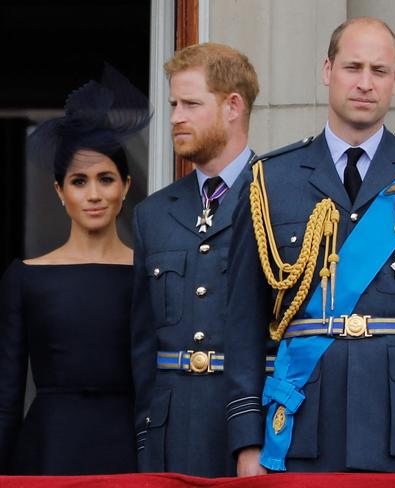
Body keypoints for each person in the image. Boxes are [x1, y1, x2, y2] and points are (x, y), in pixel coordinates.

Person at [225, 17, 395, 475]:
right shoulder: (271, 179)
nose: (365, 83)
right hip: (300, 427)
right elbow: (243, 321)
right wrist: (247, 440)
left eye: (379, 71)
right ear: (328, 70)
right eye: (353, 67)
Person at [131, 42, 272, 477]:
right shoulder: (152, 213)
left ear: (233, 106)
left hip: (255, 431)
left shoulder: (281, 196)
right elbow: (142, 344)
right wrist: (145, 436)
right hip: (170, 434)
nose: (175, 116)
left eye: (190, 103)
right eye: (174, 103)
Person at [0, 65, 150, 475]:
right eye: (79, 181)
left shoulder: (148, 274)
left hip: (130, 452)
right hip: (48, 452)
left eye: (106, 178)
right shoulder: (25, 277)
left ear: (124, 186)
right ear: (59, 191)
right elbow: (6, 395)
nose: (95, 194)